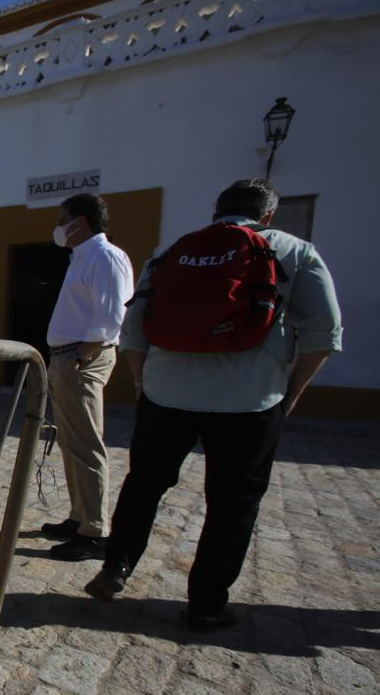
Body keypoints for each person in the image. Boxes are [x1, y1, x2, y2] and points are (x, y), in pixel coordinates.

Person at [85, 178, 342, 632]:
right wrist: (290, 395)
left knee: (144, 484)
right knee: (232, 503)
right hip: (250, 399)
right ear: (268, 215)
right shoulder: (293, 251)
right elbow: (324, 332)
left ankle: (115, 567)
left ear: (216, 211)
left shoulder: (172, 253)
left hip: (166, 394)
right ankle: (206, 604)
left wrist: (144, 384)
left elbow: (134, 328)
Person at [40, 193, 135, 561]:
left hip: (81, 358)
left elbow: (111, 317)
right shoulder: (82, 257)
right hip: (68, 357)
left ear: (80, 221)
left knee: (86, 444)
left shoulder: (105, 257)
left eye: (62, 219)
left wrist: (80, 356)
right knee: (71, 442)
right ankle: (80, 517)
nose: (58, 226)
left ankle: (95, 531)